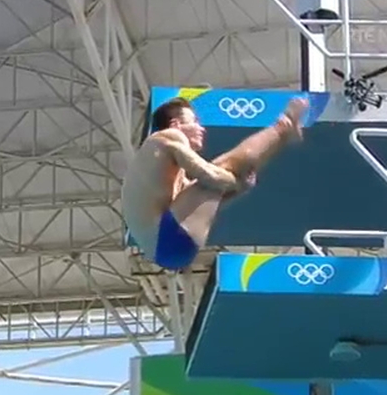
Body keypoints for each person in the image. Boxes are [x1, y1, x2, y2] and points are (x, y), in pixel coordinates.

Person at [121, 96, 308, 271]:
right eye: (194, 121)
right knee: (224, 166)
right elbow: (209, 175)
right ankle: (283, 126)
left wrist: (238, 188)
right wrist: (235, 182)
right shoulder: (169, 137)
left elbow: (208, 198)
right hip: (166, 238)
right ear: (175, 124)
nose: (202, 129)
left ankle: (283, 133)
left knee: (227, 175)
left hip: (169, 251)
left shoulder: (166, 170)